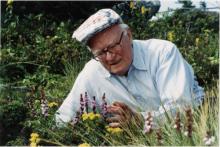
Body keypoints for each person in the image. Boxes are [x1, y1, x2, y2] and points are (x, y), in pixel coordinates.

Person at [55, 9, 204, 127]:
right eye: (100, 52)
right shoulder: (92, 71)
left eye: (113, 46)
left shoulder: (162, 53)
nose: (109, 57)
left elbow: (182, 107)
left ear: (129, 35)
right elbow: (63, 118)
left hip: (192, 127)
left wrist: (140, 120)